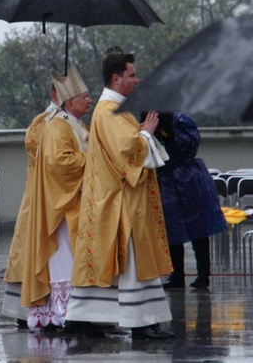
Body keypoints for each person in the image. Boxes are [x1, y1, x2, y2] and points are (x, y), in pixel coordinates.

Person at [66, 47, 174, 340]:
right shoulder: (111, 108)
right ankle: (140, 321)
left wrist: (140, 132)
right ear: (116, 79)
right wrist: (147, 133)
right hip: (121, 202)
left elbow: (124, 144)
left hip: (120, 198)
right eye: (132, 75)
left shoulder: (115, 108)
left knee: (117, 263)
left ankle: (87, 318)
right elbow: (127, 152)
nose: (137, 81)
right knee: (131, 262)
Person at [21, 66, 92, 331]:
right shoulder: (57, 127)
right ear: (68, 101)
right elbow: (58, 163)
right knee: (64, 259)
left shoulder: (75, 124)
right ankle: (62, 313)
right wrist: (92, 158)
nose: (89, 100)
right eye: (84, 96)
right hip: (61, 208)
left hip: (73, 201)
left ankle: (70, 312)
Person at [0, 83, 60, 328]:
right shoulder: (43, 122)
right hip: (40, 199)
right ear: (55, 95)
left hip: (62, 200)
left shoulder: (72, 122)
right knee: (32, 251)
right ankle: (26, 310)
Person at [153, 112, 228, 290]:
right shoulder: (151, 121)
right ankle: (177, 275)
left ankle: (203, 276)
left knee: (199, 230)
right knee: (172, 230)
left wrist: (171, 133)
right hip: (166, 181)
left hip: (190, 180)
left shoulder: (182, 120)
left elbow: (189, 144)